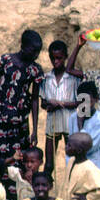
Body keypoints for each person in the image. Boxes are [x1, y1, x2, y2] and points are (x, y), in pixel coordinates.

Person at [0, 30, 44, 200]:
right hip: (0, 117)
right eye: (32, 50)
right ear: (23, 46)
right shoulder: (6, 61)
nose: (35, 55)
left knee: (19, 157)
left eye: (38, 52)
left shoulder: (35, 70)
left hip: (20, 122)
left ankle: (15, 199)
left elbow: (35, 99)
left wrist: (34, 129)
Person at [38, 40, 77, 172]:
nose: (56, 61)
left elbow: (80, 102)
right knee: (49, 165)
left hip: (69, 124)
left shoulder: (74, 78)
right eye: (53, 58)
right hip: (52, 124)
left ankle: (70, 190)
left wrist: (60, 104)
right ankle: (46, 190)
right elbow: (42, 102)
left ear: (65, 57)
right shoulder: (46, 78)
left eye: (59, 58)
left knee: (71, 162)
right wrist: (48, 105)